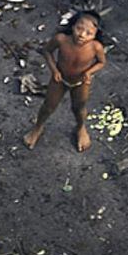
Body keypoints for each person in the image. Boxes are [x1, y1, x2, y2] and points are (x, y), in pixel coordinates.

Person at [23, 11, 107, 152]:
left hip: (81, 82)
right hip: (60, 79)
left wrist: (88, 72)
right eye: (79, 29)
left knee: (79, 107)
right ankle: (38, 127)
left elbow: (101, 63)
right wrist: (54, 70)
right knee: (48, 106)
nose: (82, 35)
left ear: (95, 35)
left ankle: (80, 127)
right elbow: (47, 51)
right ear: (72, 26)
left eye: (89, 33)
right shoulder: (61, 39)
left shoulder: (95, 47)